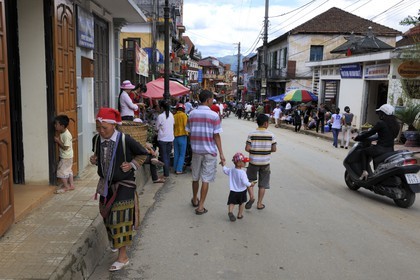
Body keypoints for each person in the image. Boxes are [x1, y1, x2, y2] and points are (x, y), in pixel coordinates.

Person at [89, 108, 151, 272]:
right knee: (107, 216)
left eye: (105, 128)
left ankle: (123, 257)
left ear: (114, 126)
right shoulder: (97, 139)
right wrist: (94, 159)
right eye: (99, 127)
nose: (101, 131)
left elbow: (143, 154)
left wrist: (131, 165)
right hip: (105, 184)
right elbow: (97, 156)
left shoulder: (125, 140)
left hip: (124, 185)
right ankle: (116, 242)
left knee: (120, 220)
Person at [186, 89, 226, 215]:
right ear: (208, 100)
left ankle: (194, 199)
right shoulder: (214, 115)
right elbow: (216, 136)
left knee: (195, 177)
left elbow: (189, 132)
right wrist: (222, 154)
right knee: (206, 179)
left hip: (196, 151)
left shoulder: (191, 114)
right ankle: (201, 206)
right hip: (209, 152)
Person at [354, 104, 400, 180]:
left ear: (383, 114)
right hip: (390, 150)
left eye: (380, 113)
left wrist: (357, 138)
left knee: (363, 152)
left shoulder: (381, 123)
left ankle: (364, 172)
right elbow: (389, 135)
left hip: (380, 149)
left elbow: (369, 133)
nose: (379, 115)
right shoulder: (396, 125)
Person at [244, 114, 277, 210]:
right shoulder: (271, 135)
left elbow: (247, 148)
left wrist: (255, 150)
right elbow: (274, 149)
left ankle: (252, 197)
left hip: (253, 162)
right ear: (266, 123)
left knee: (250, 180)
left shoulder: (251, 134)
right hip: (265, 163)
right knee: (263, 184)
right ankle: (259, 203)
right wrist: (265, 150)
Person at [221, 152, 256, 222]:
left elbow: (225, 170)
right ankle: (239, 215)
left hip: (233, 190)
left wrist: (223, 165)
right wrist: (251, 184)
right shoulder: (242, 173)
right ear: (239, 163)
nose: (245, 163)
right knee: (241, 203)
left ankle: (230, 212)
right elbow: (245, 182)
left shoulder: (231, 170)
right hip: (242, 191)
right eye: (244, 162)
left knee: (232, 202)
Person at [53, 115, 74, 194]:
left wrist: (58, 141)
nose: (55, 126)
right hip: (69, 156)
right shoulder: (63, 132)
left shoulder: (66, 135)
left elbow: (65, 147)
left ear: (62, 126)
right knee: (69, 170)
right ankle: (71, 185)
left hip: (65, 157)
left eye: (56, 124)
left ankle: (66, 186)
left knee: (61, 172)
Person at [155, 100, 174, 178]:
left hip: (162, 139)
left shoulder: (160, 116)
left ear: (162, 107)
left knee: (164, 156)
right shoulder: (171, 115)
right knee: (167, 156)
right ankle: (166, 172)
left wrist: (159, 128)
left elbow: (156, 128)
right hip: (170, 138)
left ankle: (166, 173)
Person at [173, 103, 188, 174]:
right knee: (182, 154)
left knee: (176, 153)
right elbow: (186, 125)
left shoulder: (174, 116)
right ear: (183, 109)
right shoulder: (184, 115)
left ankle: (175, 168)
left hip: (175, 137)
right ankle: (179, 170)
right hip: (183, 136)